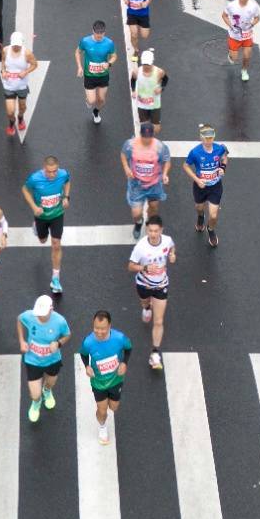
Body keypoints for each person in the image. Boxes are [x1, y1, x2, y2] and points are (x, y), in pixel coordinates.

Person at [128, 215, 175, 370]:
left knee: (159, 321)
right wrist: (145, 268)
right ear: (147, 230)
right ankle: (146, 308)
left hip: (161, 285)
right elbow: (130, 266)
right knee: (145, 303)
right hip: (144, 284)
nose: (153, 234)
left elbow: (172, 247)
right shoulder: (141, 247)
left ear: (161, 230)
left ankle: (155, 353)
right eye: (150, 231)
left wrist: (172, 255)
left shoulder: (167, 240)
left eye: (156, 231)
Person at [78, 309, 132, 446]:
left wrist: (124, 363)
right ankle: (102, 427)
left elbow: (129, 348)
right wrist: (87, 366)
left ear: (109, 326)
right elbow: (83, 354)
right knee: (102, 410)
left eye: (103, 329)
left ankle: (109, 406)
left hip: (116, 380)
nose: (99, 332)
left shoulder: (119, 338)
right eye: (96, 328)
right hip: (98, 383)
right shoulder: (88, 342)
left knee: (114, 407)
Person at [16, 293, 71, 423]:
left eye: (43, 313)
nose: (40, 316)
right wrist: (21, 340)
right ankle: (36, 403)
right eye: (38, 313)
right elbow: (19, 319)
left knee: (50, 383)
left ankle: (47, 391)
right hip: (33, 361)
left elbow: (68, 335)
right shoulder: (30, 316)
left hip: (52, 360)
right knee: (35, 394)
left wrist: (58, 343)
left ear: (51, 310)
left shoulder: (60, 321)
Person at [21, 157, 70, 294]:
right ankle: (36, 228)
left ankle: (55, 278)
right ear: (44, 168)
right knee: (42, 240)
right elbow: (25, 190)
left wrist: (66, 197)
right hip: (41, 216)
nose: (52, 174)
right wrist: (33, 207)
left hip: (57, 214)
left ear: (58, 168)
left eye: (55, 171)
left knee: (56, 244)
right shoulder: (35, 179)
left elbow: (67, 182)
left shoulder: (63, 174)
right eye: (49, 172)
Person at [120, 122, 171, 237]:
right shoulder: (130, 145)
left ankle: (150, 224)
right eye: (144, 137)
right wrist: (126, 168)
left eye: (149, 137)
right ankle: (139, 222)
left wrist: (165, 174)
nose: (147, 140)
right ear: (140, 134)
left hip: (154, 184)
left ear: (153, 134)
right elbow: (123, 155)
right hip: (137, 185)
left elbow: (167, 161)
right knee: (136, 213)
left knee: (154, 207)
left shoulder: (160, 147)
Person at [77, 20, 117, 123]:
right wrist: (79, 67)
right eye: (97, 33)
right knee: (91, 101)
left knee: (101, 100)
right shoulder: (85, 41)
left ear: (104, 32)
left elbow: (114, 56)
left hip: (103, 75)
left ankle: (96, 112)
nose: (99, 36)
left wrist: (109, 64)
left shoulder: (109, 43)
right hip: (89, 76)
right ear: (93, 31)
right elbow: (77, 52)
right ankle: (88, 99)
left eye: (101, 33)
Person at [223, 0, 260, 82]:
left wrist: (252, 24)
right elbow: (224, 16)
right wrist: (231, 26)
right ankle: (230, 55)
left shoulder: (253, 7)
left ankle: (244, 71)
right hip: (234, 35)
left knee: (247, 55)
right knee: (234, 58)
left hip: (247, 35)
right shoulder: (231, 5)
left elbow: (257, 18)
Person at [130, 48, 168, 128]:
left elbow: (166, 79)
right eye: (145, 64)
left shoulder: (159, 72)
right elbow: (133, 80)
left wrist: (161, 88)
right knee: (145, 127)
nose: (146, 66)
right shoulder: (136, 72)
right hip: (141, 104)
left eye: (148, 64)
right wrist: (133, 90)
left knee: (156, 128)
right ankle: (148, 139)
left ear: (152, 63)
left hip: (155, 104)